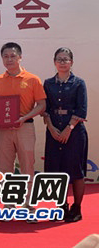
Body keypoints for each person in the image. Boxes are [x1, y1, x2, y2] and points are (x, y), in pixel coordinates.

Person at [0, 42, 46, 222]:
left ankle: (28, 206)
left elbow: (42, 105)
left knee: (27, 166)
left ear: (20, 57)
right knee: (5, 168)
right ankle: (8, 206)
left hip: (25, 127)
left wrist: (24, 117)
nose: (9, 60)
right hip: (3, 130)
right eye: (5, 56)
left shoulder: (32, 79)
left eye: (13, 56)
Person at [43, 47, 88, 223]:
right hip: (54, 132)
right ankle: (61, 206)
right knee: (55, 171)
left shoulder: (79, 83)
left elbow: (81, 110)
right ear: (54, 62)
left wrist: (69, 128)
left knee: (76, 171)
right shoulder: (48, 83)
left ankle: (77, 208)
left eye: (66, 59)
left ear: (71, 62)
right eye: (59, 59)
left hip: (75, 133)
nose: (62, 62)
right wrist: (51, 128)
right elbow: (45, 109)